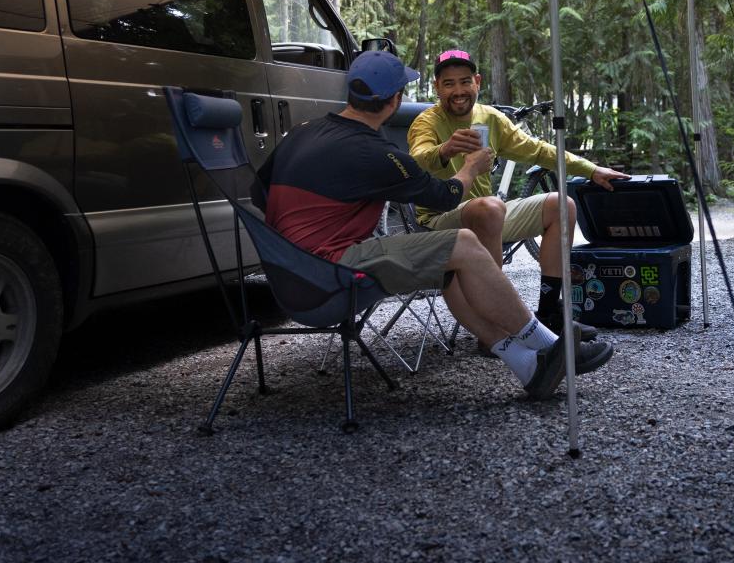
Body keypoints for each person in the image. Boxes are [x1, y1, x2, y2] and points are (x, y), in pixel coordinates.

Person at [259, 49, 614, 399]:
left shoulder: (302, 133)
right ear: (396, 99)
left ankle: (528, 364)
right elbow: (443, 197)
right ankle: (548, 344)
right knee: (462, 245)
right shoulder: (377, 153)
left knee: (453, 261)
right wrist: (469, 166)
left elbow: (259, 193)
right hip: (329, 275)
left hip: (287, 274)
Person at [406, 48, 630, 332]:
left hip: (487, 213)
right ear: (437, 87)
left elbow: (537, 150)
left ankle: (549, 314)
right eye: (448, 83)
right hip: (440, 220)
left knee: (561, 205)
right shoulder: (426, 122)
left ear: (477, 81)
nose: (458, 90)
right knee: (489, 207)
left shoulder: (490, 118)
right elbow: (416, 160)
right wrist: (446, 149)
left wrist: (591, 169)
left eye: (464, 81)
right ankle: (497, 326)